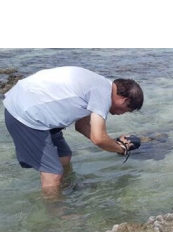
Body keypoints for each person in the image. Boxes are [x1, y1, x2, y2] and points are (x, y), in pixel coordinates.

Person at [3, 66, 144, 198]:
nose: (123, 114)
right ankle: (56, 216)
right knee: (53, 173)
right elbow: (98, 138)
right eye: (127, 109)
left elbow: (82, 126)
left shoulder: (100, 86)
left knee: (64, 156)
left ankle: (64, 190)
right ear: (124, 100)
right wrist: (120, 148)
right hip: (26, 114)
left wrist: (113, 143)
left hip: (32, 105)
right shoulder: (103, 95)